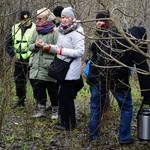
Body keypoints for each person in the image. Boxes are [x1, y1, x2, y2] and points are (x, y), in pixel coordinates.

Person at [87, 10, 150, 144]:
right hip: (118, 80)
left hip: (99, 77)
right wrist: (147, 93)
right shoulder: (133, 41)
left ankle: (93, 135)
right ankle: (124, 138)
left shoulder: (106, 36)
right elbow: (143, 69)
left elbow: (94, 58)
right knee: (126, 107)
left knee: (95, 106)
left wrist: (91, 80)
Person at [42, 6, 85, 130]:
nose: (64, 19)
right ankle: (66, 122)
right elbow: (59, 47)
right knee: (64, 97)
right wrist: (48, 46)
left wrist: (60, 50)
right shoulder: (62, 30)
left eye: (67, 17)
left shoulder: (77, 31)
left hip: (71, 70)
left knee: (66, 97)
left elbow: (79, 52)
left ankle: (69, 124)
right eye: (63, 17)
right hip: (62, 69)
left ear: (73, 18)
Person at [28, 8, 59, 119]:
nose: (37, 21)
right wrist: (36, 45)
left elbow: (58, 49)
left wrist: (46, 46)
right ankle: (41, 111)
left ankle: (55, 111)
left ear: (47, 19)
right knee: (39, 89)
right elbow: (29, 46)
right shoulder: (36, 30)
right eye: (37, 18)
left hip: (48, 67)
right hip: (36, 66)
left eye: (40, 19)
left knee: (52, 90)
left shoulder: (55, 31)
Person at [6, 10, 36, 109]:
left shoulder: (35, 29)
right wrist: (12, 54)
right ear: (20, 19)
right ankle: (21, 100)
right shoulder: (15, 28)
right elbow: (8, 43)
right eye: (23, 20)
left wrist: (33, 55)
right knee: (19, 80)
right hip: (18, 59)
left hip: (31, 59)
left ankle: (39, 102)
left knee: (34, 81)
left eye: (27, 20)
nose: (25, 22)